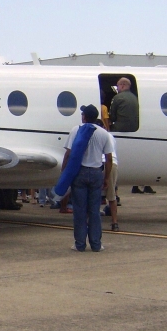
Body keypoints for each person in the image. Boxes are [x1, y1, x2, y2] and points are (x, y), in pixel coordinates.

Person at [63, 104, 115, 252]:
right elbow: (109, 158)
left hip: (79, 172)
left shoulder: (76, 130)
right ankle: (96, 244)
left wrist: (64, 173)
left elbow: (68, 154)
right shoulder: (104, 133)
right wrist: (106, 177)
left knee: (79, 210)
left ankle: (79, 244)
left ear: (84, 117)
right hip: (96, 172)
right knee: (94, 210)